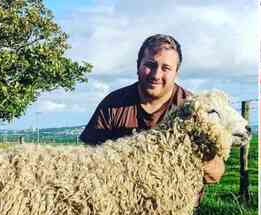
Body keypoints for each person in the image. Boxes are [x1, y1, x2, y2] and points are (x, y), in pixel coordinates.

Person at [79, 34, 225, 185]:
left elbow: (215, 175)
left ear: (176, 72)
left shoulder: (194, 109)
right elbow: (89, 162)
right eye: (150, 65)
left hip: (174, 202)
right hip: (120, 198)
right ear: (138, 65)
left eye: (166, 68)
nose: (156, 75)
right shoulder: (113, 104)